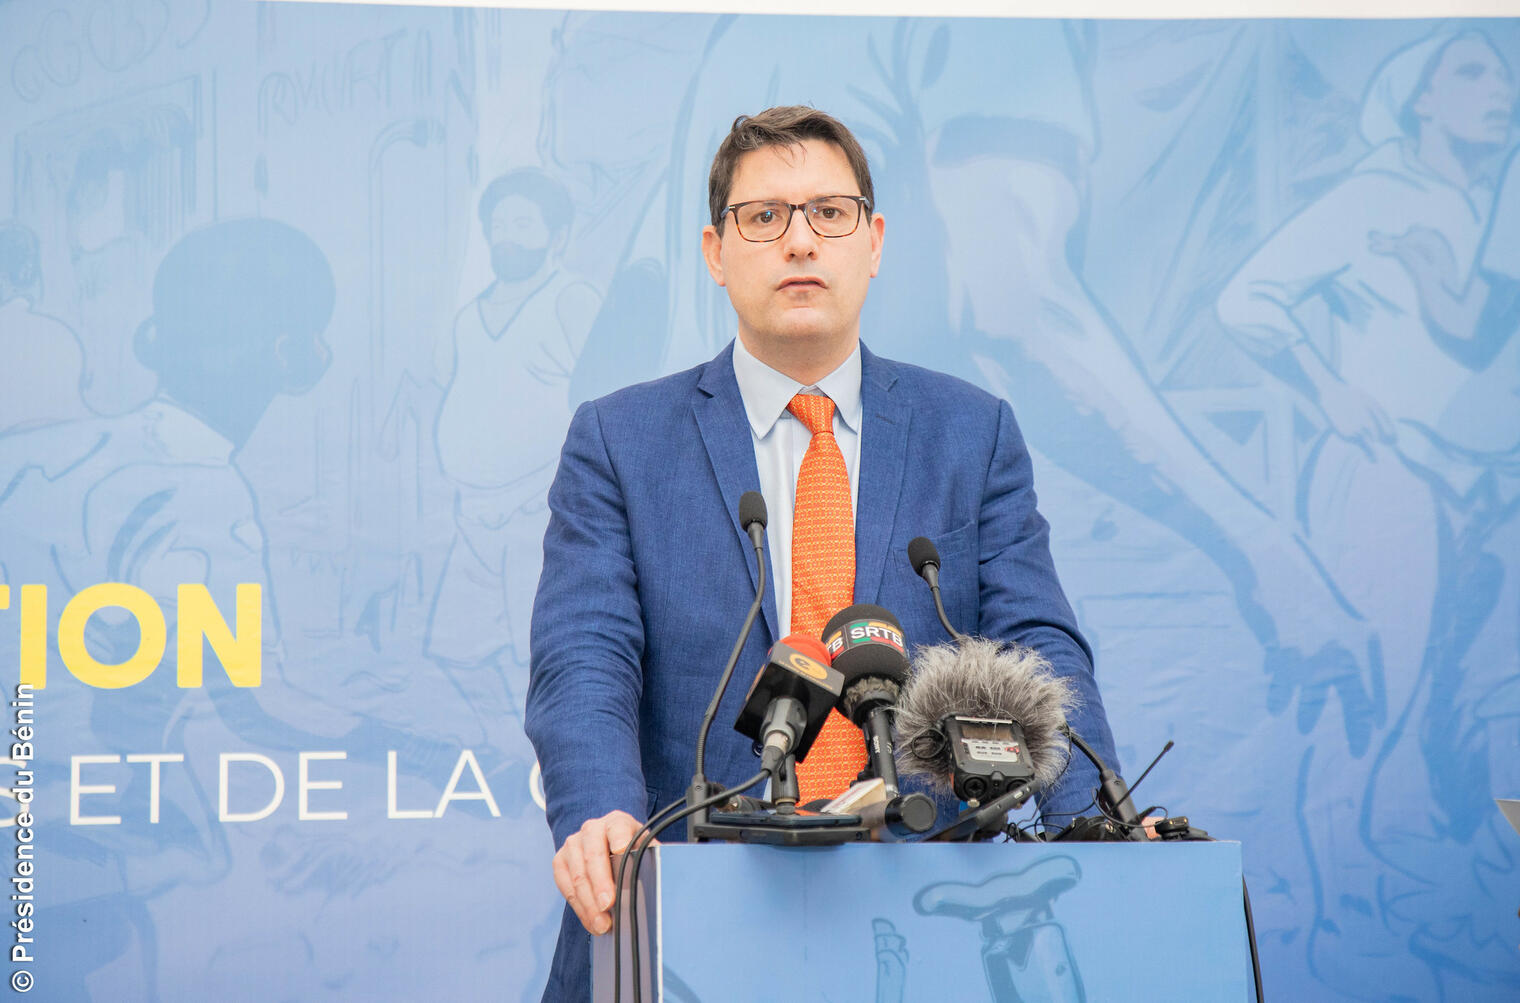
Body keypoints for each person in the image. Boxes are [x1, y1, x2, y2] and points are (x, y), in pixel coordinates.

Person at [525, 106, 1121, 1001]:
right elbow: (584, 657)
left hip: (928, 914)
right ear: (715, 252)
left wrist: (1093, 829)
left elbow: (1039, 644)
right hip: (687, 910)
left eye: (830, 213)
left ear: (873, 244)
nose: (799, 240)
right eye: (764, 216)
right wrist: (601, 812)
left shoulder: (972, 433)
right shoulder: (621, 440)